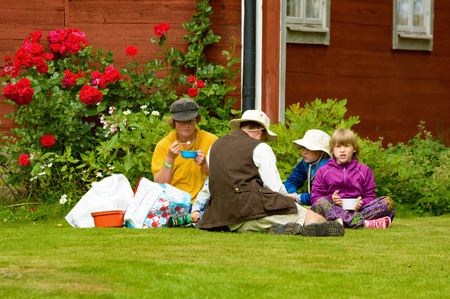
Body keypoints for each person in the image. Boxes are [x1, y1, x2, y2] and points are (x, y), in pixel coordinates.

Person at [196, 110, 345, 237]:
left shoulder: (215, 146)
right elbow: (275, 189)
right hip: (249, 211)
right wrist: (291, 204)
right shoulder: (261, 148)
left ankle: (280, 228)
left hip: (224, 218)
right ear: (261, 131)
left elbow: (211, 183)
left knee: (253, 222)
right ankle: (307, 225)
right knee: (314, 217)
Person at [311, 128, 395, 229]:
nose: (342, 150)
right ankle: (365, 223)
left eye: (347, 146)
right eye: (338, 146)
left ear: (354, 149)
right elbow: (315, 198)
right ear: (332, 150)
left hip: (358, 210)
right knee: (320, 204)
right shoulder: (323, 171)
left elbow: (370, 196)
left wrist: (361, 203)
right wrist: (331, 199)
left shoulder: (365, 170)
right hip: (333, 208)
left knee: (387, 202)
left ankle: (342, 222)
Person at [151, 98, 218, 204]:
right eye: (182, 122)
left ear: (197, 119)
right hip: (174, 203)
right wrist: (170, 158)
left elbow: (221, 178)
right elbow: (160, 184)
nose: (187, 126)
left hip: (205, 202)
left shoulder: (211, 140)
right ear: (174, 122)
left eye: (190, 121)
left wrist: (205, 164)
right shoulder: (164, 145)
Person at [284, 129, 331, 205]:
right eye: (303, 147)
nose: (304, 152)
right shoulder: (306, 162)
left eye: (309, 148)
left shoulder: (329, 168)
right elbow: (292, 181)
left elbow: (322, 196)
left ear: (321, 151)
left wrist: (297, 198)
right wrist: (292, 193)